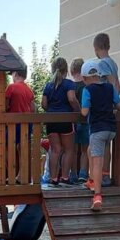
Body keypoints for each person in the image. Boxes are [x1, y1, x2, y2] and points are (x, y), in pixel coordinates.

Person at [79, 60, 120, 211]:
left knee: (97, 161)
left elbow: (84, 112)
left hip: (97, 129)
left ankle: (97, 195)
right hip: (111, 129)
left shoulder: (87, 90)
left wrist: (86, 106)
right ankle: (94, 179)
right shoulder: (109, 87)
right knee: (91, 150)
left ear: (85, 78)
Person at [42, 57, 81, 187]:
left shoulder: (48, 85)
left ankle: (53, 179)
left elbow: (43, 104)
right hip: (66, 120)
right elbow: (72, 99)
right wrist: (78, 110)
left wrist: (51, 110)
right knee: (69, 149)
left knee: (55, 150)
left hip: (51, 121)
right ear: (66, 69)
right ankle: (65, 177)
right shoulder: (69, 84)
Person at [93, 33, 120, 187]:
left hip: (104, 110)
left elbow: (112, 84)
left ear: (96, 48)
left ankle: (102, 176)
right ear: (108, 46)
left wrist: (110, 102)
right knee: (106, 145)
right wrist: (116, 102)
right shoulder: (113, 63)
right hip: (110, 110)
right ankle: (105, 175)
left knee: (98, 146)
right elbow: (118, 86)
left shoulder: (102, 64)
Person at [5, 68, 35, 180]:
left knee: (7, 147)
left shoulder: (11, 87)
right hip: (27, 124)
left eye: (12, 74)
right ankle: (22, 175)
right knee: (23, 149)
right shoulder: (29, 89)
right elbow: (33, 109)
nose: (11, 77)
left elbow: (5, 106)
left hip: (15, 123)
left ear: (16, 74)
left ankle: (10, 175)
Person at [70, 58, 90, 183]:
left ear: (72, 71)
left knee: (72, 150)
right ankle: (83, 173)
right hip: (85, 121)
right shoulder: (86, 86)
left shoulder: (70, 86)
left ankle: (73, 173)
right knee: (84, 150)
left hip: (72, 123)